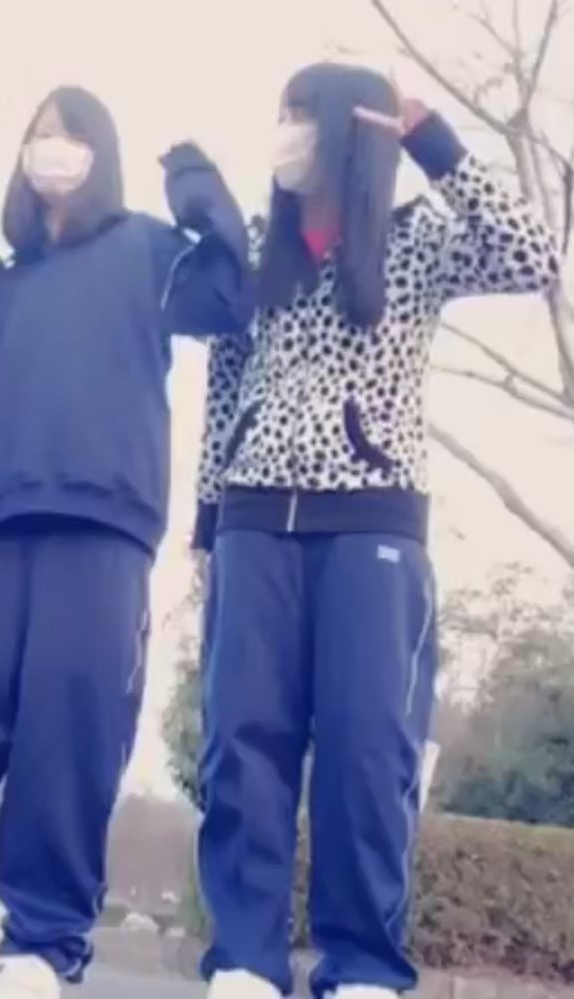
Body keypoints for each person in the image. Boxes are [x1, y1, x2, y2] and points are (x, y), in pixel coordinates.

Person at [193, 62, 560, 999]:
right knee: (241, 745)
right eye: (278, 112)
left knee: (366, 748)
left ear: (345, 132)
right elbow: (224, 383)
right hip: (251, 521)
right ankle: (244, 959)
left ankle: (361, 965)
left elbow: (534, 256)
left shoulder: (416, 239)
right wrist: (205, 523)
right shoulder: (255, 246)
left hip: (373, 523)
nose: (285, 131)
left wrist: (433, 141)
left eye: (301, 114)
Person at [0, 86, 252, 999]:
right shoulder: (1, 280)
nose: (52, 149)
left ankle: (40, 943)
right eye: (39, 134)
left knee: (70, 735)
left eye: (72, 134)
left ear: (101, 153)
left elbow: (232, 288)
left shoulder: (146, 249)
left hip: (103, 524)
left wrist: (190, 174)